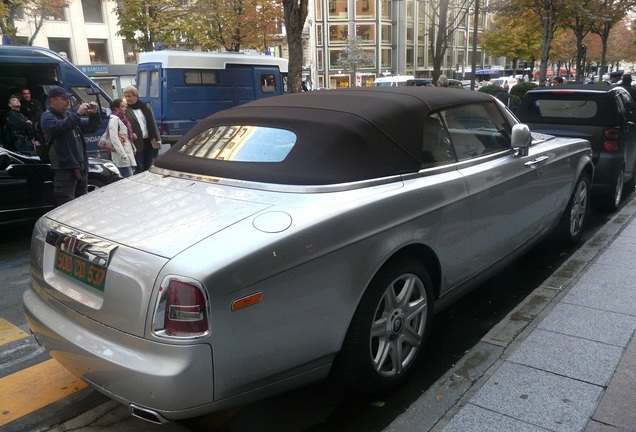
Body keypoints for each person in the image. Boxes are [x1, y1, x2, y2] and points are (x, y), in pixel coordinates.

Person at [40, 85, 100, 205]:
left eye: (68, 99)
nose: (68, 101)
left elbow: (90, 127)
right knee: (66, 202)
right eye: (64, 99)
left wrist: (94, 114)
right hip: (64, 167)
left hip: (79, 165)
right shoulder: (47, 117)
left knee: (82, 200)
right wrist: (77, 114)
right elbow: (60, 127)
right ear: (52, 100)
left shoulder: (68, 115)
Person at [122, 86, 161, 173]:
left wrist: (158, 139)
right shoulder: (125, 109)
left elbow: (153, 123)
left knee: (149, 167)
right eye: (126, 96)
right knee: (139, 168)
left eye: (129, 96)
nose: (127, 98)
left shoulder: (146, 106)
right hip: (136, 142)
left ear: (136, 96)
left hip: (149, 140)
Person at [106, 99, 137, 178]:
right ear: (116, 108)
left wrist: (133, 148)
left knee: (129, 178)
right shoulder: (114, 120)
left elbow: (124, 136)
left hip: (126, 154)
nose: (125, 109)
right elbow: (114, 138)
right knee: (129, 179)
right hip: (122, 157)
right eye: (123, 107)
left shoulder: (122, 119)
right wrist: (123, 155)